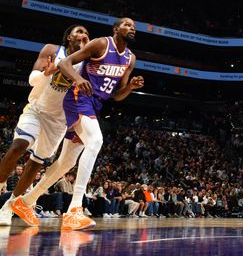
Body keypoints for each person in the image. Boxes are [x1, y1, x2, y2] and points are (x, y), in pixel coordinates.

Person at [12, 18, 144, 231]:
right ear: (116, 29)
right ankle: (74, 210)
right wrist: (78, 79)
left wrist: (130, 88)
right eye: (127, 24)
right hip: (77, 98)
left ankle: (26, 201)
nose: (132, 28)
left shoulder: (130, 58)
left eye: (134, 26)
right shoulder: (101, 44)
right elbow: (65, 63)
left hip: (95, 104)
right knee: (96, 141)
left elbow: (116, 96)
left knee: (66, 163)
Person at [0, 25, 90, 226]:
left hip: (59, 122)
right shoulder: (52, 50)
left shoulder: (86, 64)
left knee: (35, 164)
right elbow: (32, 80)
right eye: (79, 32)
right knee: (19, 146)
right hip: (37, 110)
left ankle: (9, 207)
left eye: (87, 34)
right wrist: (46, 74)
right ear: (69, 37)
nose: (83, 36)